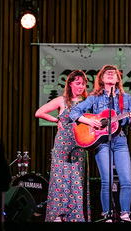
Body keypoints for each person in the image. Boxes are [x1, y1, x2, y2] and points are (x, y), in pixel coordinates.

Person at [69, 65, 131, 222]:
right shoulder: (94, 98)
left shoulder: (125, 99)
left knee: (126, 180)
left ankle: (125, 215)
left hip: (120, 139)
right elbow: (74, 113)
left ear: (117, 79)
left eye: (113, 73)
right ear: (101, 78)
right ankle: (107, 215)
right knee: (107, 180)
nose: (110, 74)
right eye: (107, 73)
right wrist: (90, 122)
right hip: (102, 141)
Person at [35, 70, 90, 222]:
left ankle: (75, 216)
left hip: (80, 143)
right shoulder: (62, 100)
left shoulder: (87, 100)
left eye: (83, 83)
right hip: (62, 144)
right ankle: (58, 214)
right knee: (61, 177)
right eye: (78, 83)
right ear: (70, 83)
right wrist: (56, 120)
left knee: (76, 179)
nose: (81, 86)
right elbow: (39, 113)